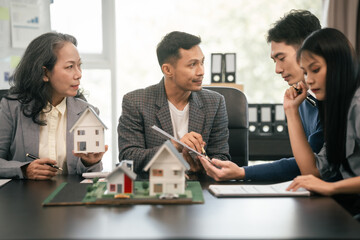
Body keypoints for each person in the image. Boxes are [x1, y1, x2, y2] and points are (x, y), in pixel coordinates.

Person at [200, 10, 323, 181]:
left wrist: (243, 172)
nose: (277, 69)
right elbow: (304, 164)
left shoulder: (330, 100)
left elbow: (311, 167)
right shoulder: (302, 98)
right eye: (274, 61)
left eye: (281, 58)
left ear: (307, 51)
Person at [118, 31, 230, 177]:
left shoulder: (215, 102)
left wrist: (201, 165)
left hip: (201, 190)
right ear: (168, 70)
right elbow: (128, 157)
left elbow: (222, 158)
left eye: (202, 62)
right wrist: (173, 146)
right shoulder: (135, 102)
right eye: (192, 65)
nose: (201, 71)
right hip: (154, 191)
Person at [0, 32, 108, 180]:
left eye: (79, 65)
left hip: (69, 196)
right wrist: (24, 169)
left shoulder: (87, 112)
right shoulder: (11, 108)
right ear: (45, 72)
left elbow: (92, 175)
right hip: (22, 197)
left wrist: (90, 162)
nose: (79, 74)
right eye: (70, 67)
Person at [285, 28, 360, 217]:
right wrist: (291, 111)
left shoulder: (358, 104)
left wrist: (332, 188)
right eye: (305, 72)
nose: (309, 80)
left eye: (316, 69)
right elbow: (312, 170)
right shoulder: (339, 107)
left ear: (338, 65)